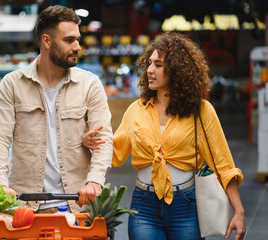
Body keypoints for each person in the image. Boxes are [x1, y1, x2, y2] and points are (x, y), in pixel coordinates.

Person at [82, 32, 245, 240]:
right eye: (149, 63)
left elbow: (224, 165)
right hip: (144, 205)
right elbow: (115, 152)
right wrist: (91, 143)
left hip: (186, 206)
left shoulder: (201, 111)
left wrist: (239, 211)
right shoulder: (136, 109)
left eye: (158, 65)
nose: (150, 70)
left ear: (177, 70)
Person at [0, 5, 113, 213]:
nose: (77, 47)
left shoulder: (90, 84)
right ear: (46, 41)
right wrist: (0, 184)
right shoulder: (12, 84)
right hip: (25, 206)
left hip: (77, 205)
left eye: (78, 39)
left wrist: (94, 181)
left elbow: (104, 139)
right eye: (69, 40)